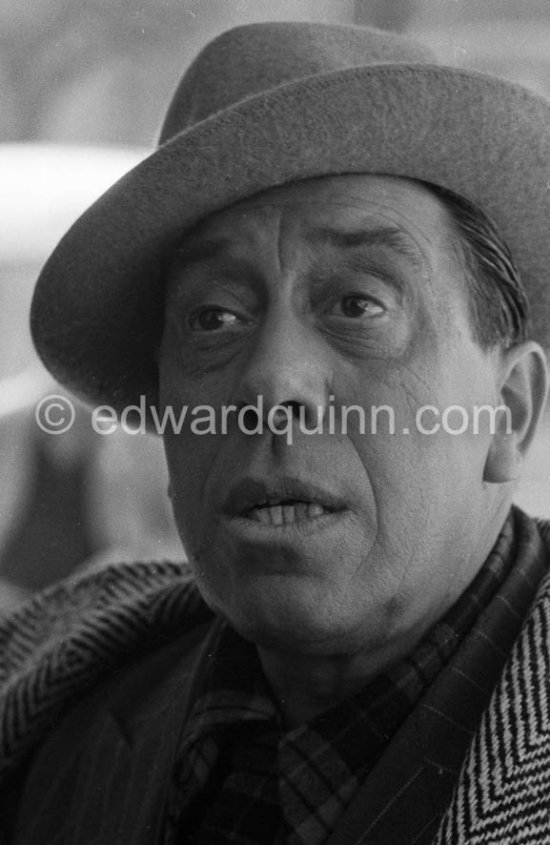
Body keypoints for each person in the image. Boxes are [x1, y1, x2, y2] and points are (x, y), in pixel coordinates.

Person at [1, 21, 550, 844]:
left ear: (508, 411)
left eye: (358, 304)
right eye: (213, 317)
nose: (270, 384)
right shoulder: (52, 683)